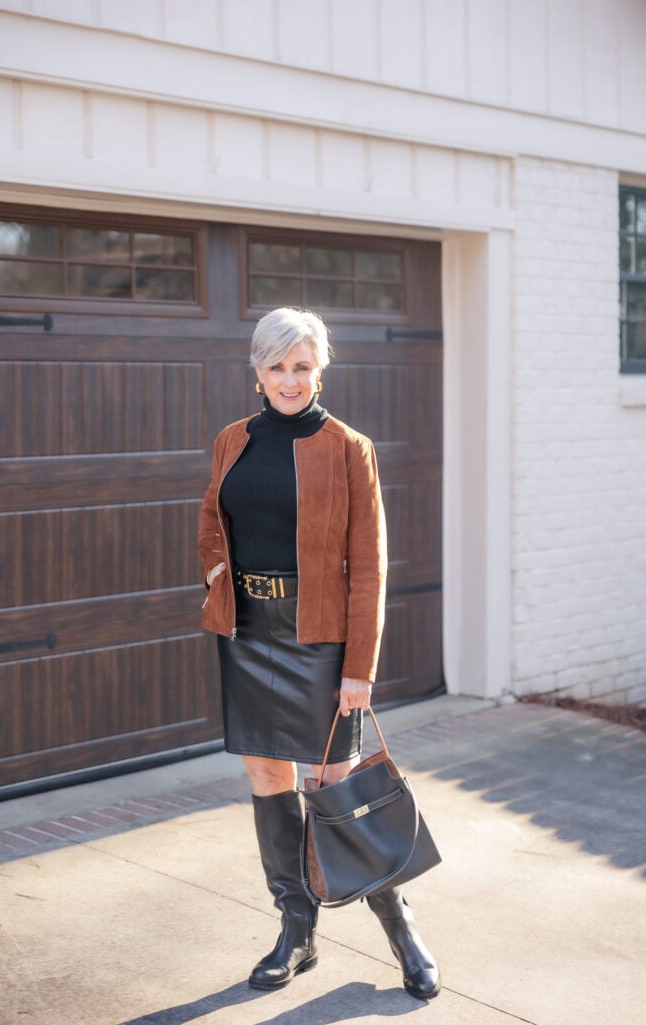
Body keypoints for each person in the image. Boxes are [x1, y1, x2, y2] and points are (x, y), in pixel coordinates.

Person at [197, 306, 440, 1000]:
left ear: (320, 367)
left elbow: (369, 567)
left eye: (300, 365)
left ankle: (401, 931)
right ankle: (296, 929)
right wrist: (217, 572)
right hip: (248, 634)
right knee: (269, 780)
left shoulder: (347, 447)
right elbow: (211, 515)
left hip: (322, 639)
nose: (288, 379)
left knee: (339, 789)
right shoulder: (231, 440)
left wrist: (358, 667)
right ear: (257, 372)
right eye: (275, 366)